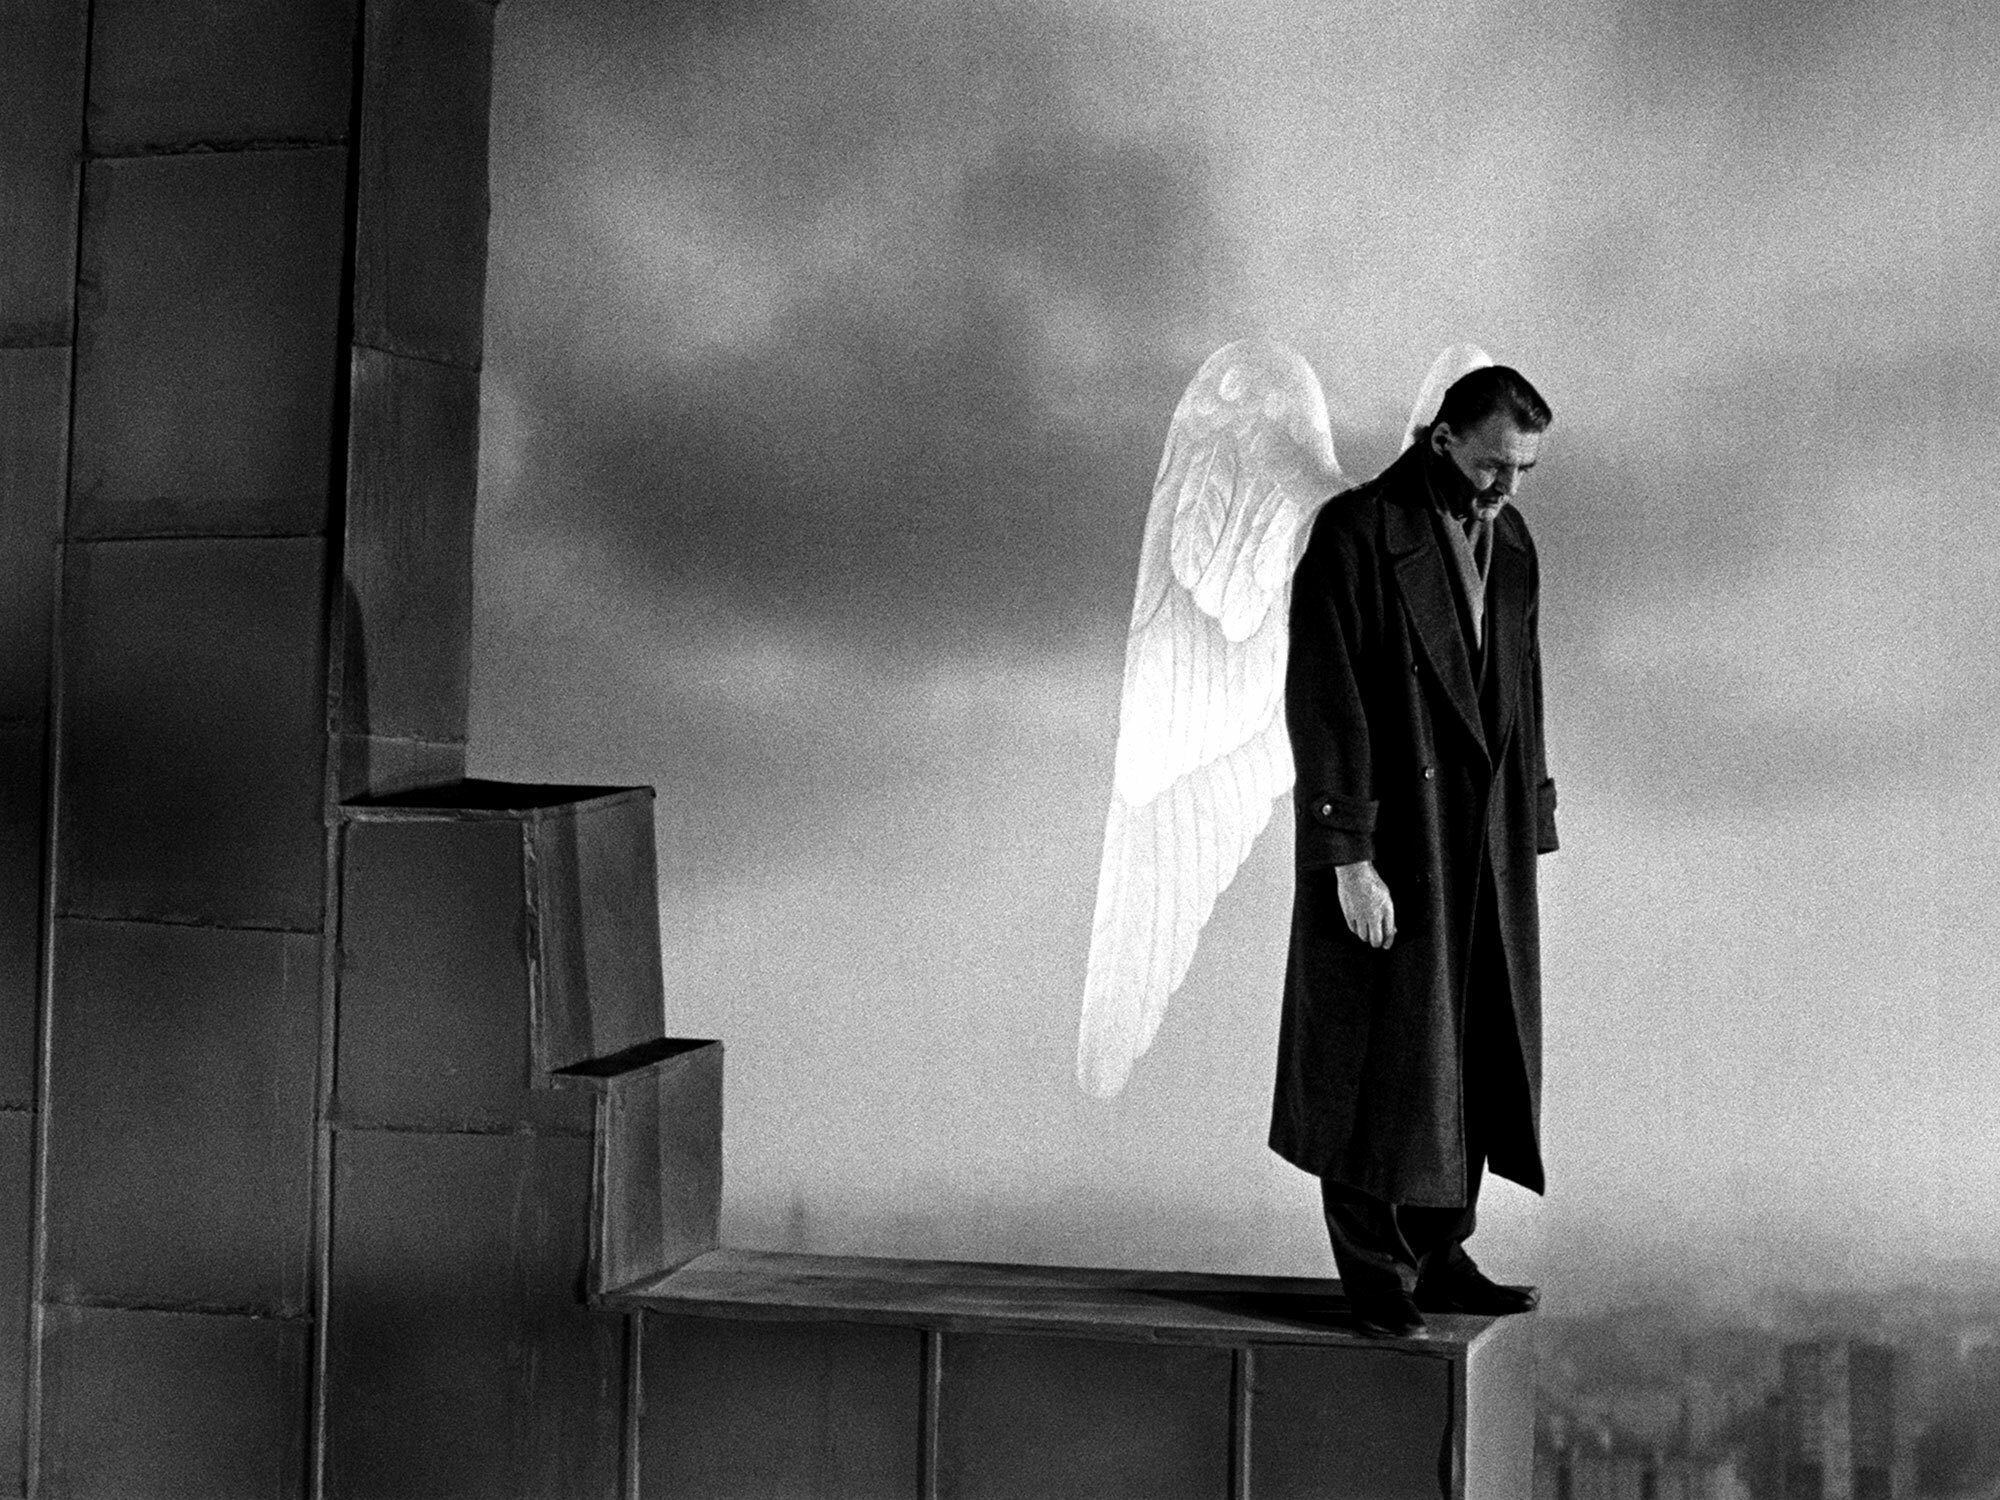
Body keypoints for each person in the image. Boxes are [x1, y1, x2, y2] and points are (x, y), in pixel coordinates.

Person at [1272, 365, 1559, 1336]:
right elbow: (1324, 704)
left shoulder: (1511, 543)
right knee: (1379, 1054)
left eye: (1520, 469)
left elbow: (1521, 692)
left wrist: (1532, 826)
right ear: (1441, 438)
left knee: (1473, 1044)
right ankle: (1372, 1270)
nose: (1504, 489)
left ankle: (1440, 1252)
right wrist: (1345, 855)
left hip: (1481, 844)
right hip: (1393, 845)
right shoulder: (1355, 534)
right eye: (1491, 465)